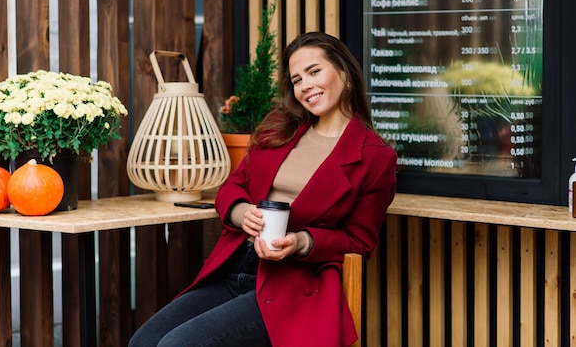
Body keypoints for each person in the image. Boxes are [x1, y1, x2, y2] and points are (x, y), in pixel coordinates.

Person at [129, 31, 397, 347]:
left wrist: (301, 241)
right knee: (143, 342)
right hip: (233, 267)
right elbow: (233, 186)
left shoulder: (375, 157)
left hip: (292, 281)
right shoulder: (279, 126)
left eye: (314, 71)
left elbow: (359, 241)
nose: (305, 85)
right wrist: (242, 213)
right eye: (297, 80)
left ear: (345, 73)